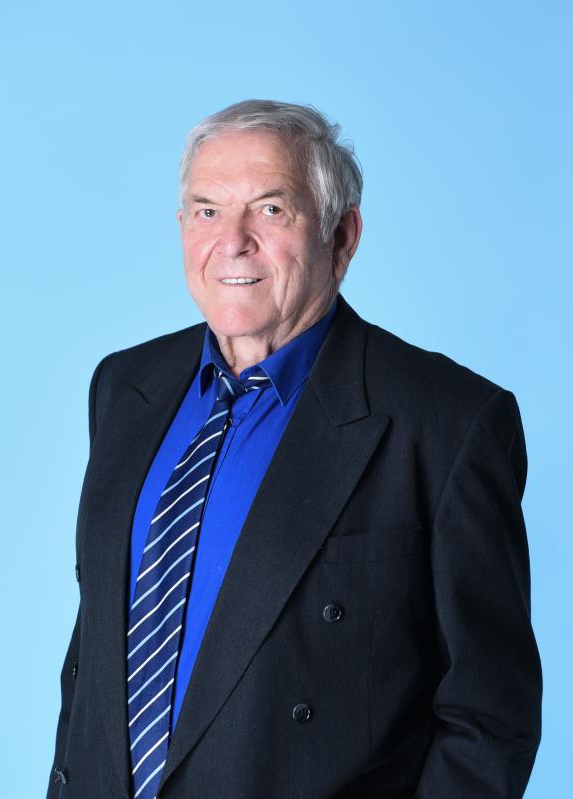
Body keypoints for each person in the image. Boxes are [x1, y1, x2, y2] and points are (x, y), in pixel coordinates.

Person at [45, 100, 541, 799]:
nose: (233, 241)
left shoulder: (447, 422)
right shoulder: (125, 389)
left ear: (343, 235)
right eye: (207, 210)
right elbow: (96, 658)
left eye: (271, 210)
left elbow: (489, 718)